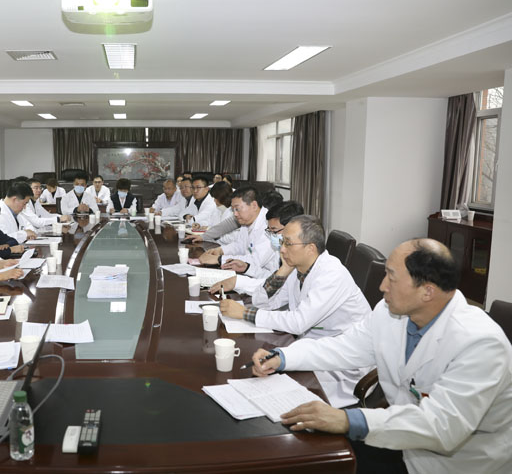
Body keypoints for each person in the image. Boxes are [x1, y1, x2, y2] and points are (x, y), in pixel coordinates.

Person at [251, 239, 512, 474]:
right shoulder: (390, 313)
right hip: (401, 441)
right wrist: (282, 357)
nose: (382, 286)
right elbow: (343, 347)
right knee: (301, 453)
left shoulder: (480, 342)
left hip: (455, 464)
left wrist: (347, 419)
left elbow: (443, 426)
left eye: (391, 277)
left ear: (427, 291)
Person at [221, 215, 371, 407]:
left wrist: (244, 313)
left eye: (288, 243)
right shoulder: (300, 268)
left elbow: (298, 322)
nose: (282, 249)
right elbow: (263, 301)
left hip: (342, 366)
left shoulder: (331, 274)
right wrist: (282, 271)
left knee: (271, 397)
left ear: (310, 248)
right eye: (282, 242)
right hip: (312, 350)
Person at [199, 187, 278, 281]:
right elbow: (239, 245)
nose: (235, 214)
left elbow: (255, 261)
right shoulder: (246, 221)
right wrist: (221, 250)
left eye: (237, 209)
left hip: (266, 278)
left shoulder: (269, 225)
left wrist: (220, 259)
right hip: (250, 273)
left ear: (254, 205)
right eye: (233, 210)